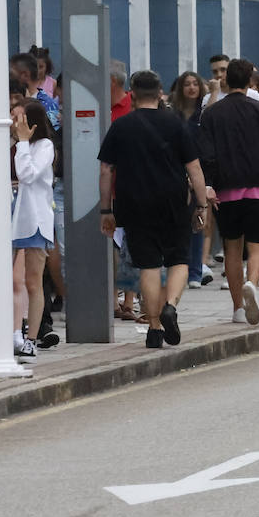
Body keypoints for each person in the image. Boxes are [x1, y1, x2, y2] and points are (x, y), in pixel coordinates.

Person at [99, 71, 209, 349]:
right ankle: (170, 305)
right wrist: (202, 204)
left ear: (132, 94)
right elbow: (194, 168)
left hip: (133, 203)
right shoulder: (175, 123)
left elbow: (106, 170)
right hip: (173, 201)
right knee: (178, 260)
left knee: (147, 265)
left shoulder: (121, 126)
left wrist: (105, 210)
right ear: (160, 92)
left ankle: (154, 327)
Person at [197, 58, 259, 326]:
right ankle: (252, 282)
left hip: (227, 190)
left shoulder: (212, 114)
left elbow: (205, 153)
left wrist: (210, 185)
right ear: (250, 80)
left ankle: (238, 308)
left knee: (232, 247)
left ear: (226, 80)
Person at [10, 101, 57, 360]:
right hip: (11, 218)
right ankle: (10, 331)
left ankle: (31, 338)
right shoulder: (15, 145)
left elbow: (27, 174)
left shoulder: (45, 146)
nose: (15, 124)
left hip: (35, 219)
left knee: (33, 281)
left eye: (20, 119)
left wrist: (23, 143)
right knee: (6, 280)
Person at [169, 71, 212, 290]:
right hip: (176, 173)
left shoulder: (202, 114)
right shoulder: (172, 115)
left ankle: (195, 270)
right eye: (187, 84)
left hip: (199, 173)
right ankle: (180, 268)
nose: (192, 88)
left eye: (196, 83)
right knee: (178, 224)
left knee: (198, 221)